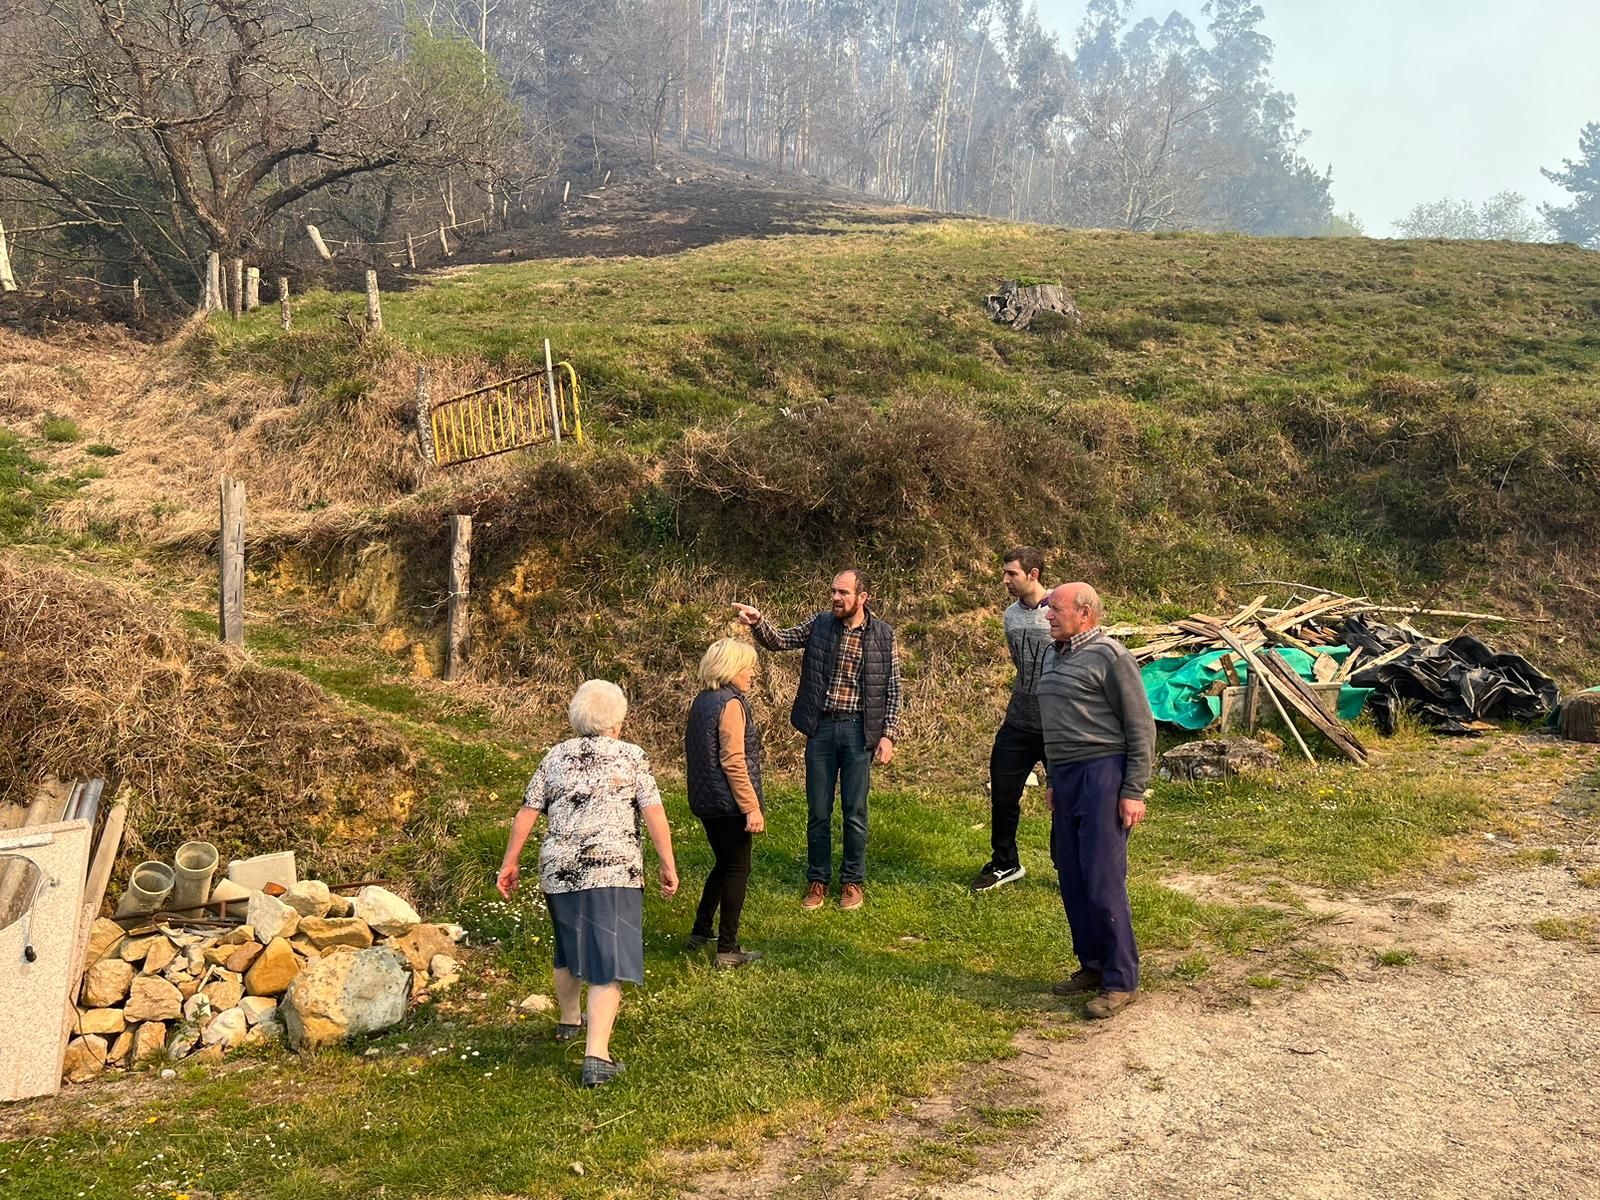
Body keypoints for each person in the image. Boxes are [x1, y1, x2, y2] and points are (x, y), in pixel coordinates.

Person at [496, 679, 679, 1087]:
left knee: (567, 948)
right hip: (612, 870)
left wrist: (509, 862)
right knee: (607, 962)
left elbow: (527, 811)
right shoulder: (631, 756)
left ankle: (568, 1020)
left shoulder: (555, 756)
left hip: (559, 869)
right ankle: (596, 1057)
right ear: (618, 719)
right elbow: (653, 812)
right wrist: (667, 863)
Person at [734, 569, 902, 911]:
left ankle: (852, 881)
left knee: (855, 812)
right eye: (834, 591)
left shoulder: (884, 635)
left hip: (859, 732)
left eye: (843, 592)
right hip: (821, 730)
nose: (836, 598)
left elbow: (893, 689)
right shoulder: (820, 624)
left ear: (863, 597)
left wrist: (888, 734)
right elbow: (780, 640)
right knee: (818, 812)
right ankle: (818, 880)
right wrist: (758, 622)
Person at [1036, 583, 1156, 1020]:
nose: (1048, 615)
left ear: (1084, 614)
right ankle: (1092, 964)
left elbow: (1141, 726)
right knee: (1071, 874)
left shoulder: (1111, 656)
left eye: (1056, 609)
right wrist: (1053, 778)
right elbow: (1055, 724)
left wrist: (1133, 790)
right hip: (1067, 777)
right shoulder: (1053, 655)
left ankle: (1121, 979)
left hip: (1103, 772)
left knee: (1103, 878)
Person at [972, 546, 1052, 893]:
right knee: (1004, 794)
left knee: (1065, 800)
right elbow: (1020, 663)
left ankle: (1068, 865)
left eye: (1011, 573)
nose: (1004, 579)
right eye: (1004, 573)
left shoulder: (1060, 608)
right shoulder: (1010, 616)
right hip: (1018, 720)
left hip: (1057, 724)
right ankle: (1006, 862)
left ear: (1033, 574)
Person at [684, 637, 766, 968]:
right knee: (737, 868)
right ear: (731, 668)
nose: (753, 673)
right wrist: (751, 807)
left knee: (724, 863)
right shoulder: (730, 704)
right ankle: (728, 949)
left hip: (707, 801)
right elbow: (733, 760)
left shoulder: (703, 700)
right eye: (748, 667)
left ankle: (701, 930)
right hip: (729, 803)